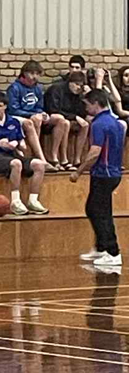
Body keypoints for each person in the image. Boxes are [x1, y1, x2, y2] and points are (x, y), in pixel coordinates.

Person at [72, 89, 125, 267]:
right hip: (111, 172)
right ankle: (102, 247)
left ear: (96, 103)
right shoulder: (116, 122)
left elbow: (95, 152)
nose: (86, 108)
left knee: (99, 213)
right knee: (96, 210)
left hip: (104, 174)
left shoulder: (99, 124)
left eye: (87, 104)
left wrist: (78, 171)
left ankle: (112, 252)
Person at [0, 93, 48, 216]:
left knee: (39, 164)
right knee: (16, 163)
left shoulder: (14, 122)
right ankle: (15, 201)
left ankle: (33, 200)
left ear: (5, 107)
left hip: (12, 154)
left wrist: (17, 144)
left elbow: (23, 145)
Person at [7, 61, 68, 169]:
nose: (34, 77)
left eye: (37, 74)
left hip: (35, 115)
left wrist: (42, 113)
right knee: (36, 119)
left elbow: (39, 106)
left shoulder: (38, 88)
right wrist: (32, 114)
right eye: (32, 73)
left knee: (60, 120)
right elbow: (13, 109)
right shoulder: (14, 88)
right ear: (24, 73)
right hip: (18, 116)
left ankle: (53, 157)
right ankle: (38, 157)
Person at [45, 71, 90, 170]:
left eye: (81, 86)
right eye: (76, 84)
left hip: (69, 118)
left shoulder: (78, 94)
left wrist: (86, 97)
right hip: (51, 118)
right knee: (64, 122)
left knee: (85, 125)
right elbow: (53, 109)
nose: (78, 88)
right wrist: (74, 117)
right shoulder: (56, 89)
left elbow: (83, 113)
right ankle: (59, 158)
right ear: (70, 82)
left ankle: (77, 160)